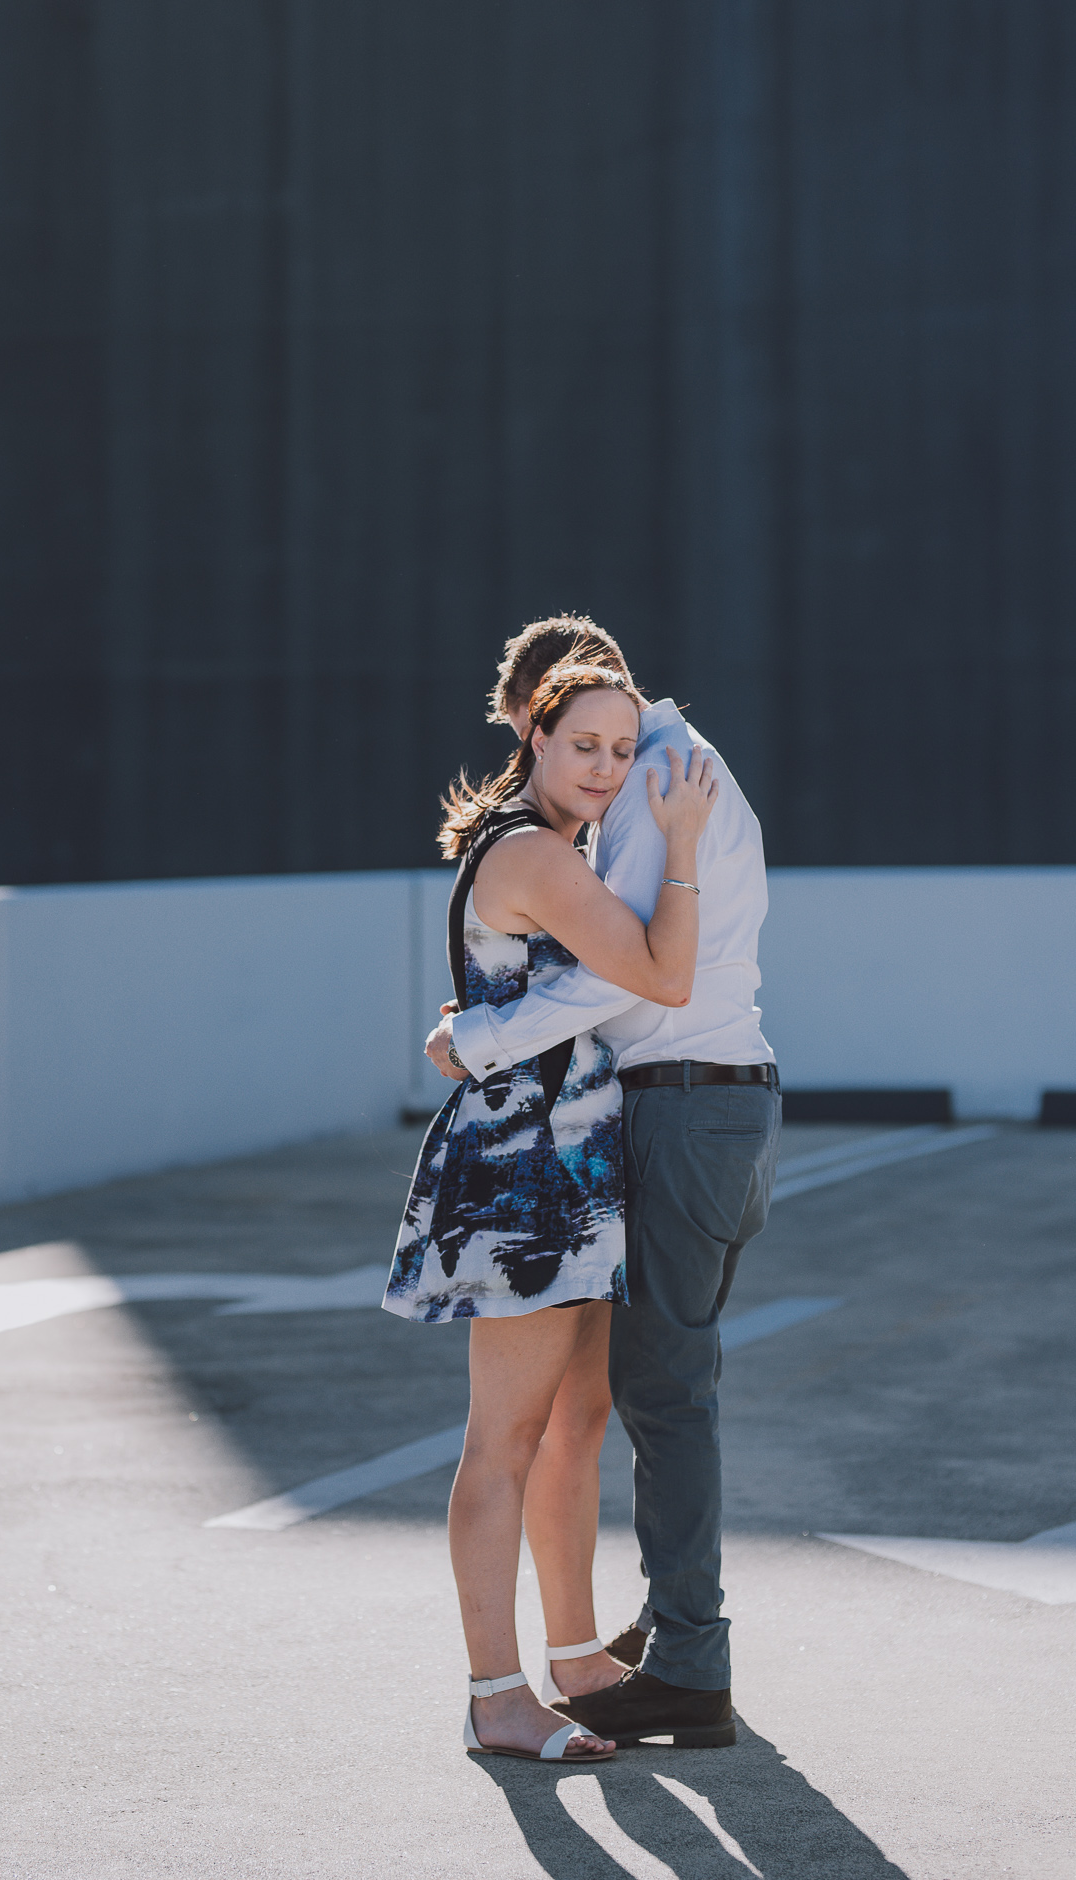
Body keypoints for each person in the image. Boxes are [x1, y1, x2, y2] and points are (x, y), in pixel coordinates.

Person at [425, 614, 781, 1750]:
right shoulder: (598, 810)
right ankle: (554, 1668)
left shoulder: (660, 777)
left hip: (668, 1105)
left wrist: (480, 1033)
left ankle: (670, 1659)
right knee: (564, 1414)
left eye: (604, 736)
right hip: (613, 1131)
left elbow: (637, 973)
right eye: (577, 740)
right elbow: (616, 960)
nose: (601, 760)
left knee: (646, 1397)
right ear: (536, 734)